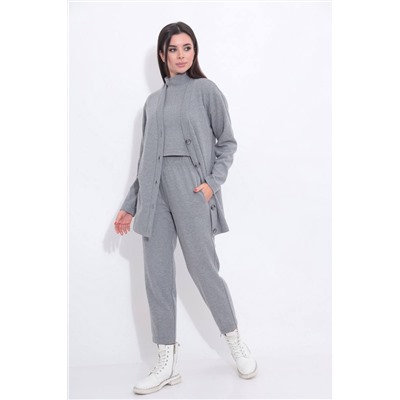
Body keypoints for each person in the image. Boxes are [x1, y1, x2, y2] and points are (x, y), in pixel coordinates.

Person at [114, 21, 257, 395]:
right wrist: (130, 205)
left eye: (187, 48)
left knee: (204, 270)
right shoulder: (152, 103)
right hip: (155, 194)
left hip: (192, 190)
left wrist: (211, 184)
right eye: (173, 49)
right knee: (157, 276)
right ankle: (166, 363)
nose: (181, 55)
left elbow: (227, 143)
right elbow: (145, 161)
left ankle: (235, 341)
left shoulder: (206, 91)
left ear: (195, 52)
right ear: (162, 55)